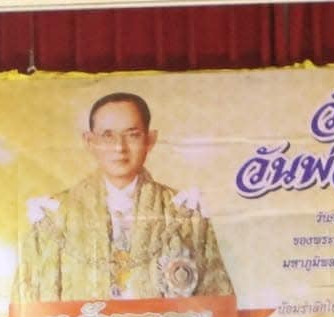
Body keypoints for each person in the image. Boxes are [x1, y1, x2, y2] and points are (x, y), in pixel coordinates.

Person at [12, 90, 233, 304]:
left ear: (150, 140)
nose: (119, 147)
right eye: (107, 136)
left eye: (132, 135)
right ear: (89, 141)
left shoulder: (183, 211)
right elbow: (27, 305)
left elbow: (217, 302)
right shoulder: (53, 214)